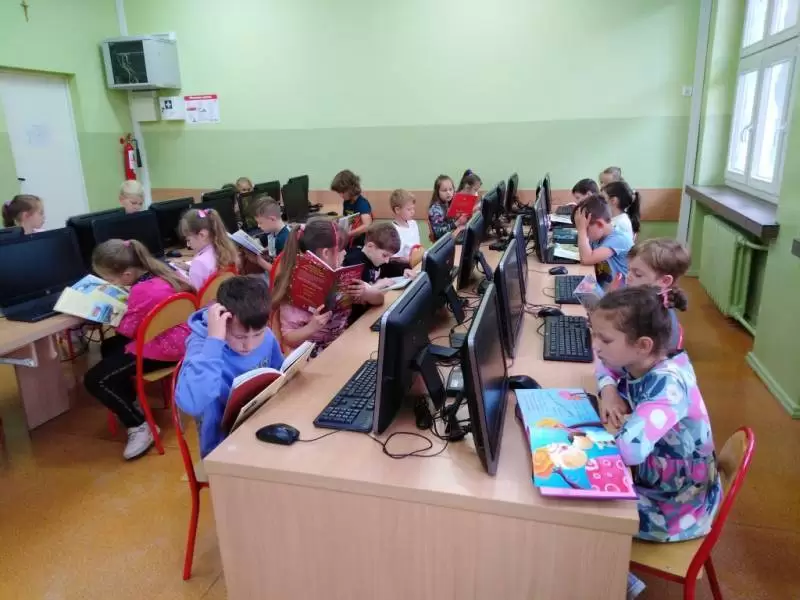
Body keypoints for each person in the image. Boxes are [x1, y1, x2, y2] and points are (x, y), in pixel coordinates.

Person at [589, 286, 721, 599]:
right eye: (594, 334)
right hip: (661, 479)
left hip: (678, 505)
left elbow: (630, 450)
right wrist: (609, 389)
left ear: (643, 345)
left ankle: (616, 583)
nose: (595, 345)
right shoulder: (644, 359)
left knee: (580, 513)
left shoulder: (669, 386)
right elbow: (603, 364)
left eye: (604, 339)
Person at [83, 239, 193, 460]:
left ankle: (139, 425)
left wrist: (106, 316)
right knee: (109, 346)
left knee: (95, 380)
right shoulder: (163, 271)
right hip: (184, 338)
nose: (110, 283)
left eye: (110, 280)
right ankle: (130, 401)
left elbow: (128, 330)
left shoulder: (142, 291)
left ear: (126, 275)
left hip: (167, 348)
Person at [176, 276, 284, 457]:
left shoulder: (264, 334)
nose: (249, 345)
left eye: (258, 334)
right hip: (222, 447)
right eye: (240, 337)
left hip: (263, 425)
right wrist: (214, 341)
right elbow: (192, 404)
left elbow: (279, 374)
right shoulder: (202, 348)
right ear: (222, 321)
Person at [271, 218, 349, 354]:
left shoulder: (340, 274)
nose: (345, 253)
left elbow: (377, 299)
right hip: (314, 356)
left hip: (341, 343)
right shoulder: (294, 287)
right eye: (342, 250)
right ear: (326, 253)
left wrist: (366, 293)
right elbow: (288, 339)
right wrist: (311, 327)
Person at [342, 222, 401, 324]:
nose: (387, 261)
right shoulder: (354, 263)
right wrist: (378, 285)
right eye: (385, 255)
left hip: (369, 312)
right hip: (356, 320)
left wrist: (405, 271)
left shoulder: (375, 258)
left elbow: (389, 268)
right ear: (370, 246)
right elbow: (357, 296)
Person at [573, 194, 633, 288]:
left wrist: (582, 231)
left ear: (600, 224)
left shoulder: (619, 239)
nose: (585, 234)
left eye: (586, 229)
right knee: (572, 287)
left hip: (618, 293)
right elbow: (585, 254)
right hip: (601, 284)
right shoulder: (598, 236)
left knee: (578, 290)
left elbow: (586, 259)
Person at [179, 208, 239, 290]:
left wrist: (181, 280)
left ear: (202, 235)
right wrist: (190, 268)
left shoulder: (199, 262)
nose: (188, 245)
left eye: (188, 240)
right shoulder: (226, 249)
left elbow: (195, 293)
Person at [331, 169, 372, 246]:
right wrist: (338, 221)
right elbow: (348, 218)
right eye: (339, 192)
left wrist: (348, 234)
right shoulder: (346, 202)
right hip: (350, 240)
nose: (340, 195)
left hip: (360, 243)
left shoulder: (362, 203)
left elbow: (367, 225)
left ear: (351, 189)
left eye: (343, 192)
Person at [428, 174, 468, 241]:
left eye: (450, 189)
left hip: (453, 235)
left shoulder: (449, 203)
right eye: (444, 190)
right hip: (444, 241)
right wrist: (457, 223)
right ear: (437, 192)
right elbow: (438, 233)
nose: (448, 192)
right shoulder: (435, 209)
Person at [388, 189, 421, 261]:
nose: (412, 212)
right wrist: (407, 259)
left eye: (413, 208)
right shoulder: (392, 230)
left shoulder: (413, 224)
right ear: (397, 210)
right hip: (403, 266)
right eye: (409, 209)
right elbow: (393, 258)